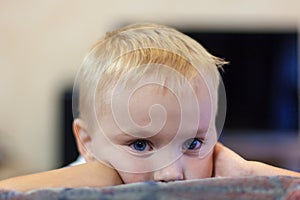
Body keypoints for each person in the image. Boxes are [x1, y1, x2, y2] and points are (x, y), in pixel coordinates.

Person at [0, 23, 299, 192]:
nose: (171, 173)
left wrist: (248, 171)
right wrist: (99, 177)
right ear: (87, 142)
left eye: (193, 143)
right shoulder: (84, 185)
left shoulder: (214, 180)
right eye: (141, 145)